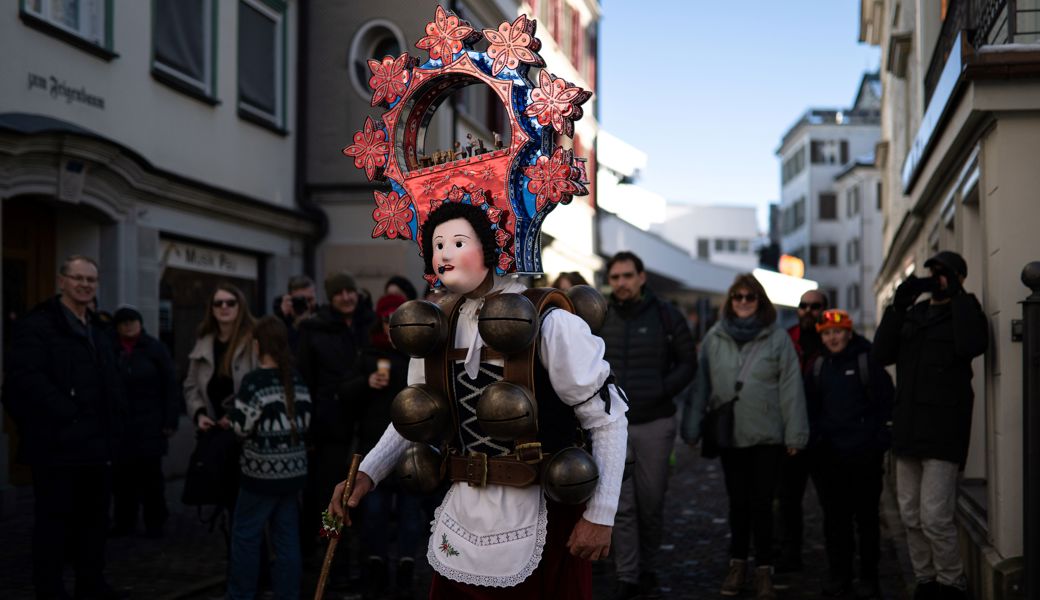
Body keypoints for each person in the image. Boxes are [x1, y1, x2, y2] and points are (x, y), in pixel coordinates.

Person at [328, 201, 628, 599]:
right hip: (464, 511)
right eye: (437, 245)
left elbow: (606, 419)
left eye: (456, 242)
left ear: (489, 249)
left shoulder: (553, 323)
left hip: (543, 509)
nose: (443, 255)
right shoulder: (433, 328)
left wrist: (601, 515)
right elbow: (415, 416)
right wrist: (366, 473)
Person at [3, 255, 125, 599]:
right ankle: (50, 589)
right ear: (61, 281)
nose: (85, 285)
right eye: (78, 278)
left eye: (91, 280)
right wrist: (67, 413)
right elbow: (23, 383)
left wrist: (118, 420)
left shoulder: (100, 328)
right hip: (57, 445)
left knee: (95, 522)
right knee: (53, 524)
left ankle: (92, 584)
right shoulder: (38, 325)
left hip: (99, 445)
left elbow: (113, 380)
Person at [681, 273, 808, 600]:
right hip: (729, 435)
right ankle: (737, 565)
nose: (743, 302)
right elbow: (701, 387)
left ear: (760, 301)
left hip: (767, 436)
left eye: (749, 297)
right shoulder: (714, 338)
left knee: (763, 504)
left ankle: (764, 569)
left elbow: (791, 389)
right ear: (730, 300)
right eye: (737, 297)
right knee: (737, 504)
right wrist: (691, 429)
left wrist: (796, 434)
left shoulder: (777, 339)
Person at [872, 251, 987, 600]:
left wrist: (959, 296)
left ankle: (952, 584)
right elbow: (881, 354)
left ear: (959, 277)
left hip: (942, 431)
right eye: (932, 272)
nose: (936, 277)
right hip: (907, 430)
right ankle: (926, 581)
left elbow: (972, 345)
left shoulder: (965, 312)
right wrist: (897, 306)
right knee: (910, 515)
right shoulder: (915, 314)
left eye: (944, 273)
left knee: (935, 517)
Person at [598, 250, 696, 600]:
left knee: (650, 503)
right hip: (612, 426)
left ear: (641, 277)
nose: (621, 283)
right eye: (615, 277)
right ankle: (627, 575)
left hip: (655, 422)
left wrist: (661, 389)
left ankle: (649, 566)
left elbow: (688, 362)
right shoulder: (600, 316)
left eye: (627, 276)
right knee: (620, 505)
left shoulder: (667, 315)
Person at [804, 309, 894, 599]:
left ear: (848, 332)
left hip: (864, 457)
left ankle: (868, 577)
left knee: (867, 521)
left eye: (838, 332)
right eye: (827, 333)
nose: (833, 338)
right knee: (835, 522)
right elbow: (810, 409)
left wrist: (878, 440)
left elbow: (886, 404)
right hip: (830, 459)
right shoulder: (818, 367)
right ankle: (839, 575)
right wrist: (817, 442)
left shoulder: (868, 361)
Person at [341, 293, 424, 599]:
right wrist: (366, 382)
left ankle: (405, 568)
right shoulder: (369, 353)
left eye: (398, 321)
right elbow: (345, 395)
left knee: (409, 514)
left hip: (412, 451)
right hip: (373, 444)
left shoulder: (418, 352)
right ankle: (375, 568)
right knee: (373, 513)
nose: (392, 327)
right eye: (388, 320)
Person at [227, 316, 312, 600]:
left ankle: (241, 595)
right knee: (287, 540)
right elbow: (307, 423)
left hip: (260, 475)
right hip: (293, 473)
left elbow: (241, 427)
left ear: (256, 345)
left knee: (246, 537)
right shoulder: (297, 379)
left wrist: (230, 416)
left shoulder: (254, 383)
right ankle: (288, 594)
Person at [296, 271, 374, 572]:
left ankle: (363, 563)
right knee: (329, 496)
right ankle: (333, 562)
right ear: (331, 298)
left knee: (362, 499)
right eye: (339, 292)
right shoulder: (314, 330)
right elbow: (305, 379)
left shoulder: (368, 324)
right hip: (329, 427)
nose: (346, 297)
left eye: (349, 291)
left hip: (365, 423)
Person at [183, 284, 258, 512]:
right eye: (218, 303)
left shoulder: (253, 339)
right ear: (212, 308)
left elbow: (259, 386)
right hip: (213, 430)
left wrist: (236, 415)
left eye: (230, 303)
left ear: (240, 306)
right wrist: (199, 414)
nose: (224, 307)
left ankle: (247, 547)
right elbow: (191, 385)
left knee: (243, 502)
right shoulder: (204, 340)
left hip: (245, 434)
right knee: (221, 497)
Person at [109, 306, 180, 538]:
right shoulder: (110, 348)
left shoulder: (154, 348)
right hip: (121, 426)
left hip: (150, 423)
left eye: (132, 322)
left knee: (151, 477)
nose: (128, 326)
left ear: (140, 324)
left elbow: (171, 384)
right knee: (122, 479)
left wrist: (170, 419)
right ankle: (124, 522)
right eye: (123, 323)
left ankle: (155, 521)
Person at [775, 288, 829, 573]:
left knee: (832, 503)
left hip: (825, 436)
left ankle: (837, 561)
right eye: (803, 306)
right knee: (788, 500)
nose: (808, 310)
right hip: (792, 432)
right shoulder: (787, 338)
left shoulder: (834, 337)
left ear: (824, 309)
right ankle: (790, 553)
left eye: (815, 306)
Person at [276, 275, 318, 351]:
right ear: (290, 300)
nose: (307, 305)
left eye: (310, 300)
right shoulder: (281, 324)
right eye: (301, 301)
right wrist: (282, 317)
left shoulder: (324, 319)